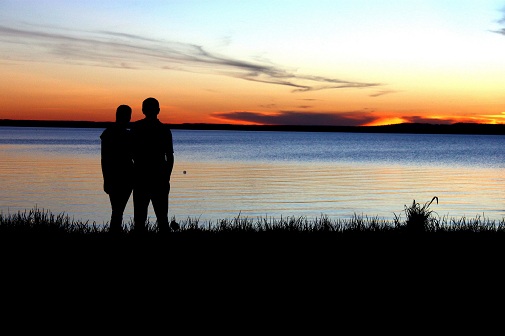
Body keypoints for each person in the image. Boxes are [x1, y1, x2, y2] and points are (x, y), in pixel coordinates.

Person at [131, 97, 175, 233]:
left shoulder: (137, 128)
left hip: (145, 177)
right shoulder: (164, 130)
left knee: (142, 218)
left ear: (143, 110)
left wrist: (166, 176)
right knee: (161, 218)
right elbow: (170, 157)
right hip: (153, 178)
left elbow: (130, 153)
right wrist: (166, 175)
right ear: (158, 110)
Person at [100, 105, 134, 234]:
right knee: (117, 209)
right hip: (119, 175)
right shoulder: (116, 133)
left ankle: (115, 232)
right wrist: (106, 179)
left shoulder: (112, 133)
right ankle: (115, 232)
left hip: (124, 175)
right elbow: (105, 158)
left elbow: (104, 158)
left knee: (117, 209)